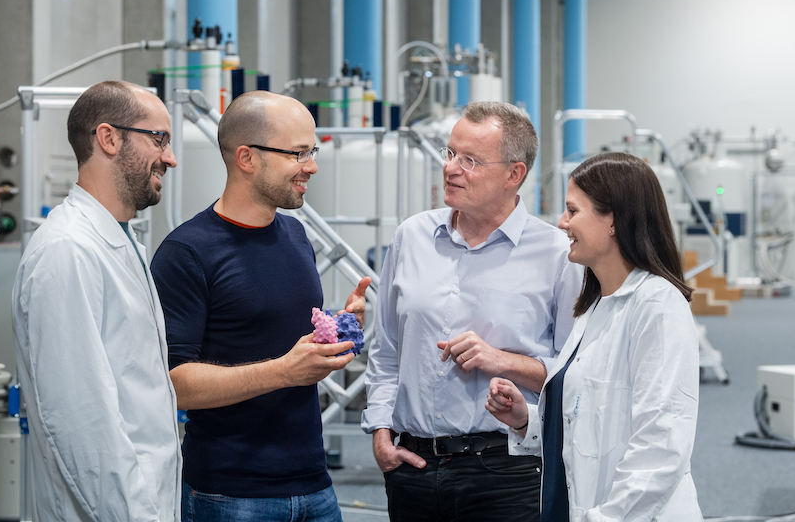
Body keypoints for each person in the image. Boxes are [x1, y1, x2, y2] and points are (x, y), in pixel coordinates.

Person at [150, 90, 370, 522]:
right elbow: (173, 383)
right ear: (247, 158)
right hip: (229, 495)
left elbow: (284, 341)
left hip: (315, 484)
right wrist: (284, 370)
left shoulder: (295, 236)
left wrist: (337, 332)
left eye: (313, 151)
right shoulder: (187, 253)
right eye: (298, 153)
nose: (312, 165)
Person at [362, 101, 582, 521]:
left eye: (470, 160)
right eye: (449, 153)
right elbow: (387, 349)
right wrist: (380, 431)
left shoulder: (558, 255)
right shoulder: (412, 237)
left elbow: (575, 377)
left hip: (507, 471)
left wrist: (502, 361)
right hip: (413, 467)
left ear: (513, 174)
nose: (450, 168)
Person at [486, 151, 703, 522]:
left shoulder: (658, 306)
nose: (562, 222)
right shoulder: (594, 305)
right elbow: (587, 418)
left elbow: (661, 446)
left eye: (573, 211)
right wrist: (528, 421)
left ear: (614, 221)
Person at [13, 80, 181, 521]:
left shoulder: (121, 241)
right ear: (108, 138)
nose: (171, 157)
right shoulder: (68, 250)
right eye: (159, 139)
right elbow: (82, 423)